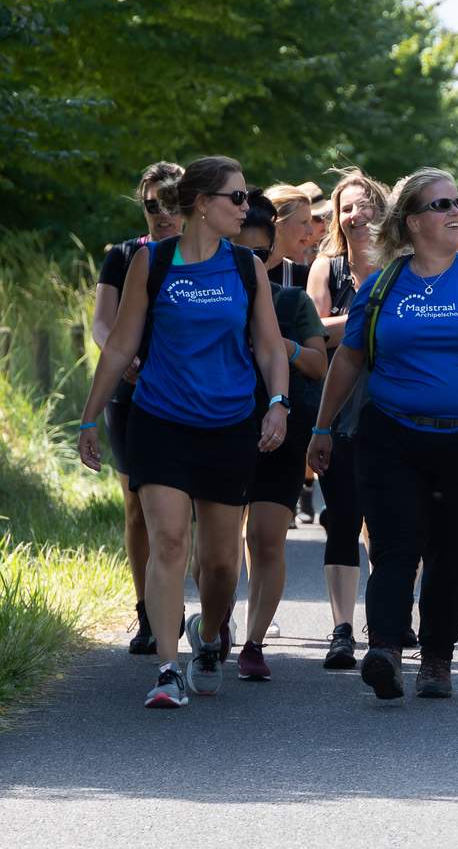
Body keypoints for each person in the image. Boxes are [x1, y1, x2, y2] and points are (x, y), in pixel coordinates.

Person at [307, 168, 458, 700]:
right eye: (439, 205)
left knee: (449, 550)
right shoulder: (383, 285)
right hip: (391, 437)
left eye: (456, 203)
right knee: (396, 545)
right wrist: (322, 428)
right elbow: (349, 360)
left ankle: (437, 661)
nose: (452, 212)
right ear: (412, 221)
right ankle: (387, 652)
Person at [78, 156, 291, 709]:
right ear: (202, 204)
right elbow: (121, 343)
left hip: (228, 426)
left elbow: (269, 346)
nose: (247, 208)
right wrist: (89, 416)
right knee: (169, 543)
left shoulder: (246, 267)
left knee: (219, 563)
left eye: (246, 198)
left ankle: (210, 636)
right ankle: (167, 667)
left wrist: (277, 404)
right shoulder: (152, 261)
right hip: (161, 422)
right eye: (237, 198)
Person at [233, 192, 327, 680]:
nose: (248, 260)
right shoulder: (208, 300)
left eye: (256, 252)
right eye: (238, 249)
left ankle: (253, 642)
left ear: (271, 251)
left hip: (281, 435)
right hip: (218, 433)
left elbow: (317, 363)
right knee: (219, 545)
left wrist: (280, 346)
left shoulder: (291, 301)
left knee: (267, 539)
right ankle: (213, 628)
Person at [91, 160, 184, 655]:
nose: (162, 214)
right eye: (152, 206)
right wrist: (120, 358)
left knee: (183, 507)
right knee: (137, 506)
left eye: (171, 204)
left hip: (193, 395)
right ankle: (147, 613)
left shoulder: (209, 258)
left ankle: (183, 602)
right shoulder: (123, 256)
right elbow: (102, 323)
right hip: (132, 394)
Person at [306, 168, 390, 668]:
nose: (356, 216)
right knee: (342, 518)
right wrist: (367, 316)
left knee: (393, 523)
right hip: (337, 409)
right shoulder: (328, 267)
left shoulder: (405, 265)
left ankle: (389, 618)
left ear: (382, 210)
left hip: (395, 408)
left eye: (364, 206)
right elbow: (316, 334)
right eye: (346, 209)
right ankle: (341, 629)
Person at [263, 183, 321, 288]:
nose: (311, 231)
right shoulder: (240, 266)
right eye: (304, 222)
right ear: (278, 223)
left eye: (311, 221)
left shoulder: (301, 276)